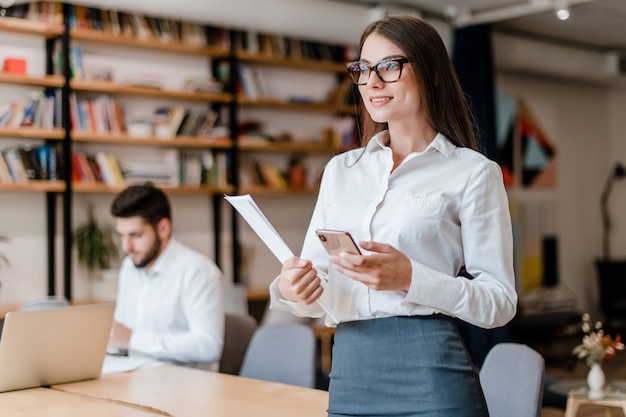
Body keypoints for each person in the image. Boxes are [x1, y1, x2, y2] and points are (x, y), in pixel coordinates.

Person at [269, 15, 517, 416]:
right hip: (350, 371)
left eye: (389, 66)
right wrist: (293, 291)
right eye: (363, 69)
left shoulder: (473, 173)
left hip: (432, 372)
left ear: (433, 73)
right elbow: (321, 285)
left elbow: (500, 302)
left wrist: (410, 278)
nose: (372, 82)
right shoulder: (341, 171)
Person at [107, 184, 224, 369]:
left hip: (184, 386)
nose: (126, 247)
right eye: (122, 236)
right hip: (132, 375)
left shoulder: (198, 271)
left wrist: (132, 339)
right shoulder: (129, 267)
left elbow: (208, 346)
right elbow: (121, 335)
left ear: (163, 228)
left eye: (136, 235)